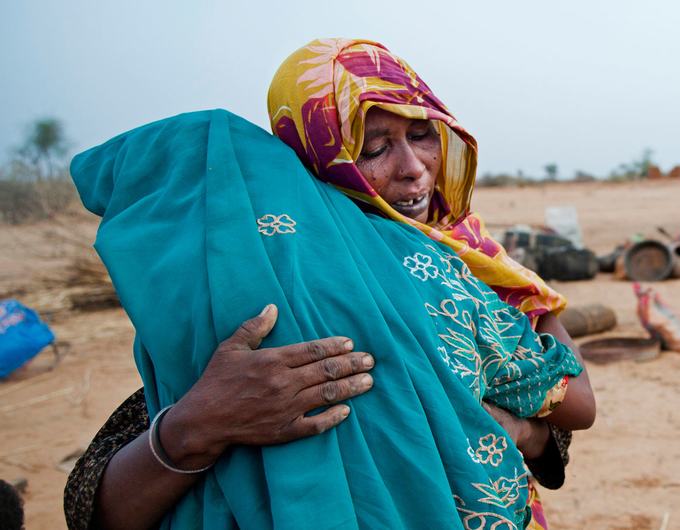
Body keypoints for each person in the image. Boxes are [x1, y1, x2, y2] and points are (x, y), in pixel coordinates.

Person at [64, 39, 594, 530]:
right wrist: (196, 425)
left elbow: (556, 425)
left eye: (421, 134)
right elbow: (90, 504)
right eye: (373, 147)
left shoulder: (470, 258)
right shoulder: (272, 280)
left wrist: (526, 430)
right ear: (316, 158)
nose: (414, 169)